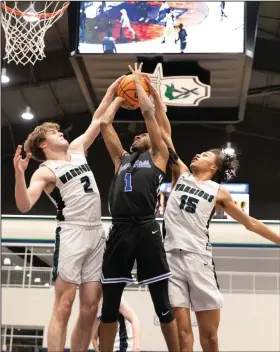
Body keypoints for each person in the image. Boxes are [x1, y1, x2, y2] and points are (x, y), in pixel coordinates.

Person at [143, 77, 280, 352]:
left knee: (210, 338)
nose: (198, 154)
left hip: (199, 259)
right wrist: (156, 100)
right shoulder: (179, 173)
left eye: (205, 154)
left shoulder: (219, 193)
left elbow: (251, 223)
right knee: (182, 336)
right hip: (170, 257)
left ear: (214, 167)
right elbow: (163, 135)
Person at [13, 76, 124, 352]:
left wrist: (114, 92)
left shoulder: (76, 150)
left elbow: (98, 122)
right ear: (43, 144)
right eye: (54, 133)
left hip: (96, 233)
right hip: (72, 233)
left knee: (90, 309)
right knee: (64, 305)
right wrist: (18, 174)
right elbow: (24, 205)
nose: (61, 133)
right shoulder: (44, 171)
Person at [98, 63, 179, 352]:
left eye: (141, 135)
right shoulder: (121, 160)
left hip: (146, 228)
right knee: (108, 307)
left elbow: (148, 114)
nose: (136, 136)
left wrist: (143, 87)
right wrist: (120, 96)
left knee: (162, 304)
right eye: (135, 136)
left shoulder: (159, 155)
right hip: (119, 229)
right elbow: (105, 125)